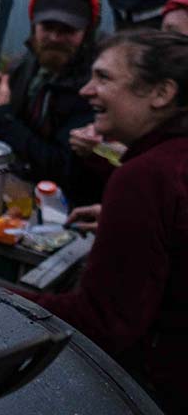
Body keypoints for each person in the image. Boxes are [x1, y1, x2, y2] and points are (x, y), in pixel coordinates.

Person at [30, 30, 188, 411]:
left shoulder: (145, 177)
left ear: (161, 93)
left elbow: (104, 323)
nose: (86, 90)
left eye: (103, 77)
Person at [0, 0, 111, 207]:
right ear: (34, 27)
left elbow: (60, 166)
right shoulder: (23, 68)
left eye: (67, 31)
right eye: (48, 28)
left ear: (86, 34)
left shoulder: (93, 88)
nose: (55, 38)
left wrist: (2, 116)